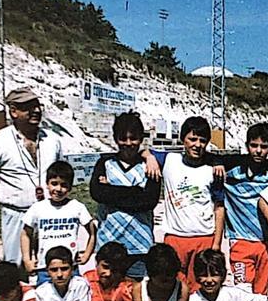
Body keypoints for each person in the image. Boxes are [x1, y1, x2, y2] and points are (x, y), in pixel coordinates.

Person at [0, 87, 63, 264]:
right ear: (13, 111)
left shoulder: (53, 140)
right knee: (16, 266)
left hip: (50, 214)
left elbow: (62, 174)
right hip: (16, 215)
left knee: (53, 265)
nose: (36, 111)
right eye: (28, 107)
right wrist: (9, 202)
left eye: (37, 105)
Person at [219, 123, 268, 294]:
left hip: (267, 241)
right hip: (240, 239)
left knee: (263, 292)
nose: (258, 151)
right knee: (242, 292)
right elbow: (210, 159)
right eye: (254, 145)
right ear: (246, 146)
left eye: (264, 146)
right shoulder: (232, 169)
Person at [151, 117, 225, 286]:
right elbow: (145, 151)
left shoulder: (213, 170)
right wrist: (149, 158)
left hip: (204, 237)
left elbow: (219, 208)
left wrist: (216, 243)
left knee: (201, 289)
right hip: (175, 238)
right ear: (183, 139)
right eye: (192, 139)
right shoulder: (169, 160)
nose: (197, 144)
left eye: (202, 140)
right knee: (173, 288)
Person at [90, 112, 162, 280]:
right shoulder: (104, 163)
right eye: (123, 138)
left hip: (139, 246)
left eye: (133, 138)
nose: (128, 143)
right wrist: (137, 191)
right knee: (109, 298)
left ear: (141, 138)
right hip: (108, 243)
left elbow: (149, 201)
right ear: (115, 138)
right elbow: (97, 193)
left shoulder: (150, 166)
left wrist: (111, 190)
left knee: (134, 298)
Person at [21, 161, 96, 285]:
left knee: (73, 300)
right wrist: (27, 259)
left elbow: (92, 232)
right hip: (45, 268)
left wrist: (87, 254)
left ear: (70, 187)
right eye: (54, 184)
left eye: (64, 185)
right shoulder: (38, 208)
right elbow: (25, 234)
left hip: (70, 267)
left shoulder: (77, 207)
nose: (58, 189)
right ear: (47, 184)